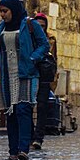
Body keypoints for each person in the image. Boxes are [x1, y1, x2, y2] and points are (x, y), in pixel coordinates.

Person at [0, 0, 48, 160]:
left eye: (5, 11)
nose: (2, 15)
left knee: (23, 109)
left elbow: (44, 44)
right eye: (1, 11)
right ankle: (13, 152)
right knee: (11, 112)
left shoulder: (29, 25)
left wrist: (33, 58)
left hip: (26, 73)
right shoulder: (1, 27)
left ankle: (24, 149)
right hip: (7, 74)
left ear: (13, 10)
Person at [32, 19, 58, 149]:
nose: (40, 28)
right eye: (38, 25)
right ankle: (30, 135)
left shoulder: (51, 39)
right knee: (27, 106)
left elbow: (54, 59)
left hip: (45, 76)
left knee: (42, 106)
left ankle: (38, 137)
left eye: (43, 26)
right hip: (30, 73)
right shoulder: (28, 37)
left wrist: (53, 78)